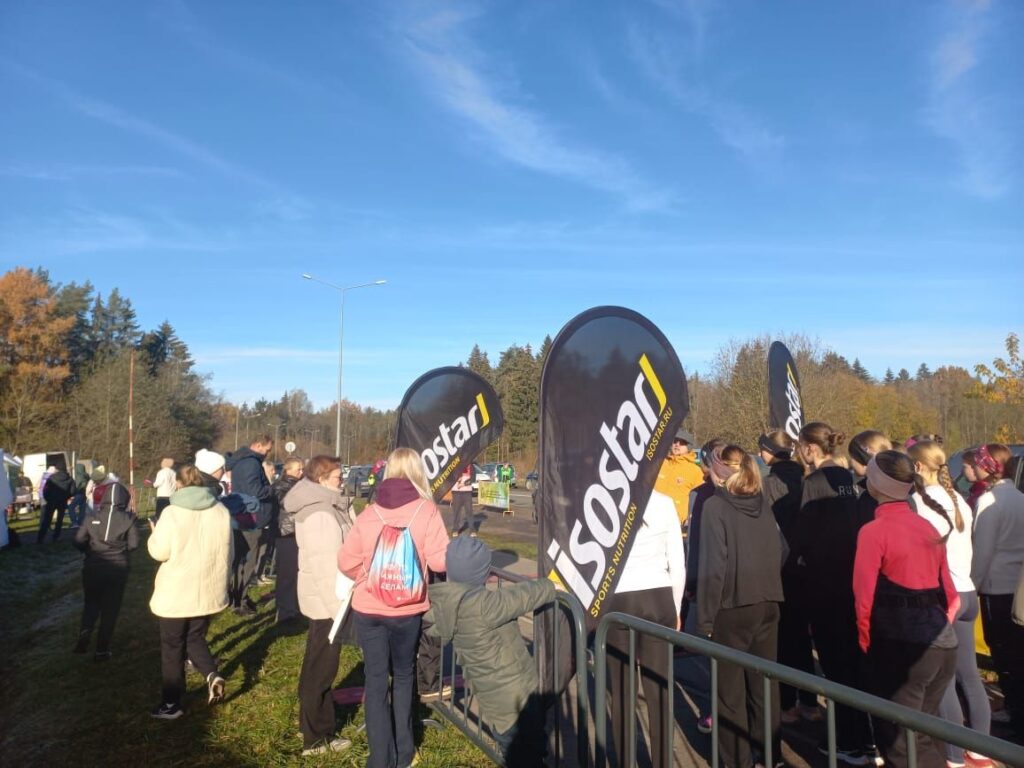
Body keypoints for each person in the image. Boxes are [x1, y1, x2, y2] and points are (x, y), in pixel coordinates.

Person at [338, 447, 449, 768]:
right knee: (403, 676)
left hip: (369, 607)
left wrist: (367, 573)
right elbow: (440, 562)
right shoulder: (427, 511)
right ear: (417, 472)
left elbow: (345, 562)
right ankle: (404, 753)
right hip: (407, 609)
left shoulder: (369, 512)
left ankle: (379, 758)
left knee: (375, 680)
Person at [854, 451, 959, 768]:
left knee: (901, 741)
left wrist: (865, 640)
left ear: (876, 485)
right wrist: (938, 626)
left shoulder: (873, 532)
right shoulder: (927, 526)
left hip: (902, 644)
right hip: (942, 642)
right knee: (926, 731)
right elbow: (951, 594)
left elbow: (863, 597)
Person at [424, 536, 555, 765]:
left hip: (495, 705)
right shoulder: (484, 607)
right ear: (483, 574)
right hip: (517, 701)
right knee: (529, 754)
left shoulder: (448, 605)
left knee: (516, 754)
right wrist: (551, 584)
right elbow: (525, 596)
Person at [698, 444, 784, 768]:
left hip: (731, 607)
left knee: (729, 693)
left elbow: (713, 567)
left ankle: (738, 761)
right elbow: (783, 547)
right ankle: (770, 756)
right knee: (764, 685)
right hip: (768, 600)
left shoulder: (715, 506)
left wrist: (705, 621)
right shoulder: (761, 501)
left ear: (718, 471)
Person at [794, 421, 875, 765]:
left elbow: (802, 538)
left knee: (836, 668)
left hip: (824, 586)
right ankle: (866, 739)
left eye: (799, 447)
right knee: (854, 667)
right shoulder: (850, 480)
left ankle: (848, 742)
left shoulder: (813, 483)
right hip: (852, 583)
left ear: (810, 448)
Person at [908, 440, 992, 768]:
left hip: (945, 595)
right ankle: (981, 750)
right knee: (969, 676)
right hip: (967, 591)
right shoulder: (959, 498)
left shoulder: (919, 502)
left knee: (942, 681)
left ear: (917, 467)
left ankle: (954, 756)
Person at [607, 488, 685, 768]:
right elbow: (677, 561)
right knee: (659, 687)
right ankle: (663, 761)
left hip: (620, 597)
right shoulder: (664, 502)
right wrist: (676, 607)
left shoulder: (610, 498)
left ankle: (625, 760)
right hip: (659, 595)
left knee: (622, 690)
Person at [148, 465, 232, 720]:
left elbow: (159, 552)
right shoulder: (221, 510)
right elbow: (229, 550)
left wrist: (153, 534)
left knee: (172, 646)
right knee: (195, 637)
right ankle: (211, 674)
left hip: (177, 589)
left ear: (178, 484)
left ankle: (171, 703)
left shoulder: (172, 513)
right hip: (207, 587)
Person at [285, 455, 356, 755]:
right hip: (328, 602)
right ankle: (316, 738)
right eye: (338, 476)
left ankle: (312, 726)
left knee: (319, 665)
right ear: (322, 478)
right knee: (321, 668)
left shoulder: (328, 506)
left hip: (327, 600)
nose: (342, 479)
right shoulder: (320, 514)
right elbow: (326, 567)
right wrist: (339, 610)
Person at [759, 430, 820, 725]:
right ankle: (809, 701)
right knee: (802, 639)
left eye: (762, 449)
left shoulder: (769, 484)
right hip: (806, 568)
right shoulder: (806, 479)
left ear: (769, 451)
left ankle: (786, 703)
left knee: (783, 639)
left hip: (780, 568)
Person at [970, 443, 1024, 740]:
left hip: (996, 587)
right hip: (1019, 586)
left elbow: (982, 551)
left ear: (988, 467)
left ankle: (1015, 711)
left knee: (1003, 652)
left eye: (979, 462)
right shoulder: (1020, 498)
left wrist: (973, 587)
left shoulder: (989, 501)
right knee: (1018, 651)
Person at [72, 478, 139, 660]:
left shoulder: (91, 517)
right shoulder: (129, 518)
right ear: (124, 500)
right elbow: (133, 545)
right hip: (117, 569)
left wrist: (89, 551)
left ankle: (85, 633)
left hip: (93, 566)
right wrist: (120, 550)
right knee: (111, 609)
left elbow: (78, 540)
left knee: (91, 603)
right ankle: (101, 650)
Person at [224, 435, 275, 615]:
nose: (267, 454)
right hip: (251, 518)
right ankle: (240, 600)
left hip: (242, 515)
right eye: (267, 450)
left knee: (240, 560)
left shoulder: (241, 460)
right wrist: (272, 488)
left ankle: (237, 597)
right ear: (258, 445)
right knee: (248, 561)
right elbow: (255, 490)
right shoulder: (251, 463)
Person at [273, 457, 304, 624]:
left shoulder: (298, 485)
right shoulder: (281, 486)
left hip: (296, 531)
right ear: (288, 470)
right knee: (287, 574)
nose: (301, 472)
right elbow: (287, 506)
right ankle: (285, 611)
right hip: (286, 533)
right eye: (298, 469)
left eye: (302, 469)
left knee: (296, 572)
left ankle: (294, 607)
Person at [655, 427, 704, 527]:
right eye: (675, 441)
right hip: (652, 517)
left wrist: (690, 518)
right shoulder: (659, 464)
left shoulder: (695, 471)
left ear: (689, 447)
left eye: (682, 443)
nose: (677, 445)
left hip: (676, 523)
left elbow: (700, 498)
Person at [848, 430, 893, 527]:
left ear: (863, 460)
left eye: (852, 457)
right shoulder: (900, 488)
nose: (851, 461)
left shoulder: (871, 497)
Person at [38, 464, 76, 543]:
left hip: (51, 501)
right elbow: (73, 491)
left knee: (47, 519)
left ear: (57, 469)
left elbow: (45, 490)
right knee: (59, 520)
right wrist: (66, 496)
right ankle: (55, 537)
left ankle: (40, 538)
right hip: (62, 501)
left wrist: (48, 498)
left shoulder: (52, 478)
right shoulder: (70, 479)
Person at [449, 465, 473, 537]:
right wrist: (456, 478)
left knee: (469, 511)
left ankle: (472, 530)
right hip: (456, 492)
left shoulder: (470, 465)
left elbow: (473, 478)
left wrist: (463, 484)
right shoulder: (452, 464)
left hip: (467, 492)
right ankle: (455, 530)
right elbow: (448, 478)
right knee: (456, 512)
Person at [67, 462, 89, 527]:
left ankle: (74, 523)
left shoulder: (79, 476)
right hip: (85, 494)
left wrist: (72, 495)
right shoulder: (86, 476)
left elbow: (76, 486)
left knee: (71, 507)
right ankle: (80, 522)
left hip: (79, 493)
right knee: (82, 509)